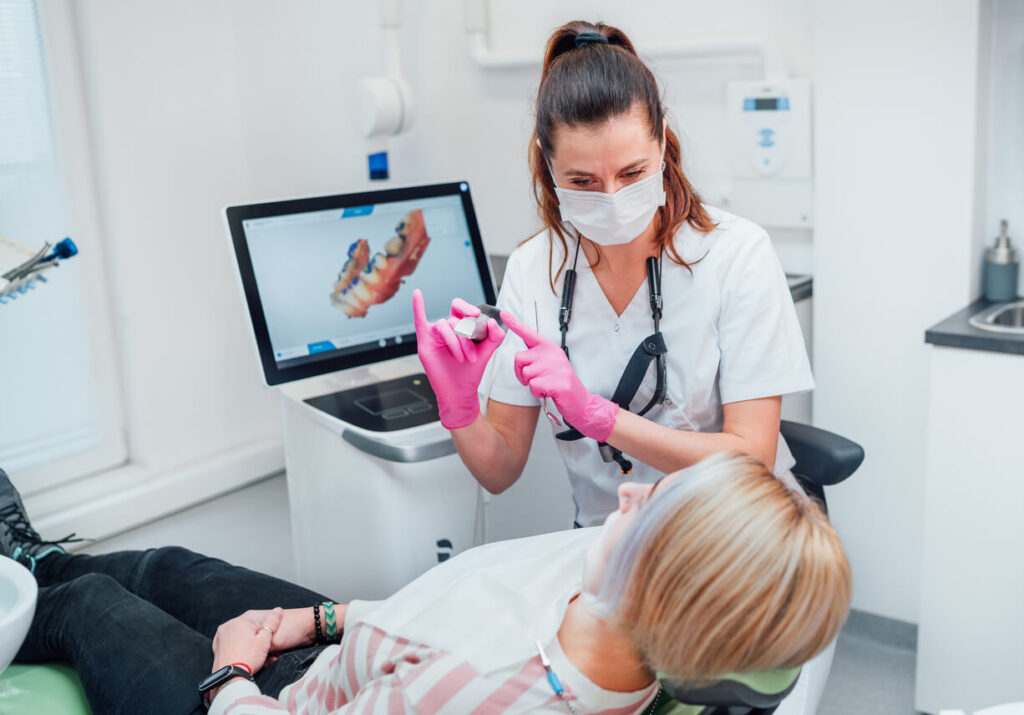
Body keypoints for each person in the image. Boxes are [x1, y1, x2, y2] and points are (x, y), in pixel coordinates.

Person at [4, 452, 850, 714]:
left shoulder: (481, 689)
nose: (626, 490)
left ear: (660, 590)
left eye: (648, 507)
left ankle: (34, 578)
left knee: (90, 607)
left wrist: (230, 671)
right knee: (172, 568)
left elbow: (445, 656)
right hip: (352, 660)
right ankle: (33, 555)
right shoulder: (607, 609)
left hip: (267, 706)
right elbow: (447, 608)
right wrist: (323, 617)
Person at [412, 19, 813, 528]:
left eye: (632, 173)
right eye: (582, 180)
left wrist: (599, 416)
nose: (612, 198)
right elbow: (500, 469)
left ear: (663, 145)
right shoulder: (533, 270)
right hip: (608, 538)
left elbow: (750, 460)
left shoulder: (737, 254)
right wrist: (461, 407)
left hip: (732, 534)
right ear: (547, 166)